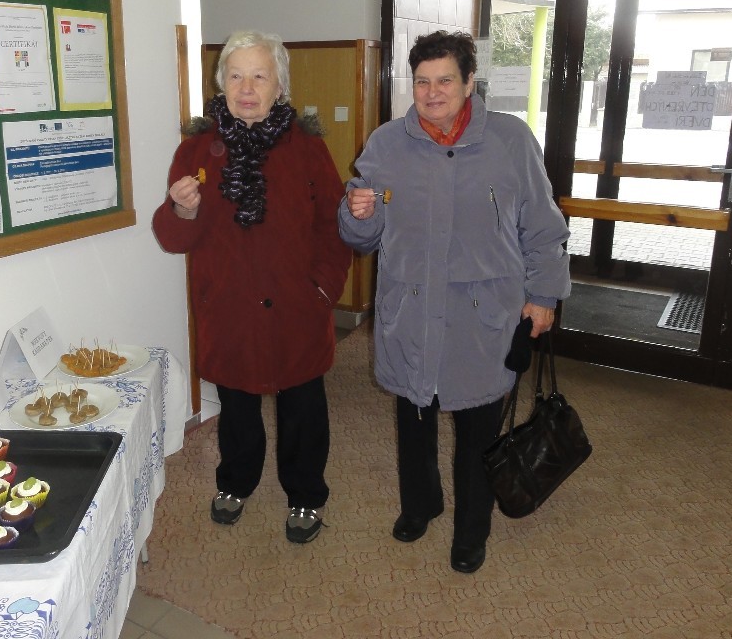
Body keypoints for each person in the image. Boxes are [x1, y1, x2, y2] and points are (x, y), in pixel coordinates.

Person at [338, 30, 570, 573]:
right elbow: (361, 238)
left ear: (469, 82)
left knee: (478, 428)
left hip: (481, 315)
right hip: (410, 310)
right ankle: (420, 504)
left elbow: (543, 226)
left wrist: (543, 295)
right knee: (414, 415)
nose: (432, 92)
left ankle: (472, 529)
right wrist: (356, 213)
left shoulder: (511, 140)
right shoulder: (386, 144)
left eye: (445, 80)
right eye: (422, 81)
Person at [152, 30, 351, 544]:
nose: (246, 88)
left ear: (279, 84)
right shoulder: (196, 150)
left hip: (297, 309)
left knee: (303, 410)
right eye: (236, 75)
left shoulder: (307, 147)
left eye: (259, 76)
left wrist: (323, 290)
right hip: (229, 310)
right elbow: (173, 238)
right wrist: (182, 210)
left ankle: (306, 494)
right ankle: (235, 483)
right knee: (237, 409)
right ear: (221, 83)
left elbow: (334, 226)